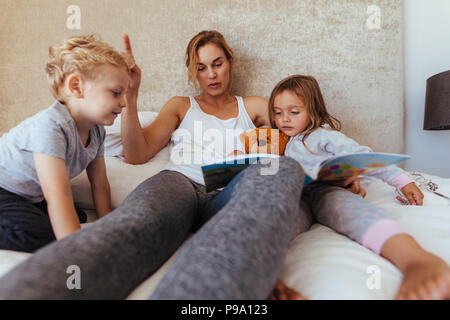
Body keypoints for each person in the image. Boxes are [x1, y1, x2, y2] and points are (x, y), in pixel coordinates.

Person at [0, 31, 308, 299]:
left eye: (218, 64)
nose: (211, 74)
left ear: (230, 63)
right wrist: (131, 97)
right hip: (179, 184)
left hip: (231, 189)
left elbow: (297, 131)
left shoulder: (253, 106)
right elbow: (137, 154)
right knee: (135, 223)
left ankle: (247, 269)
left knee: (284, 168)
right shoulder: (179, 106)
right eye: (201, 68)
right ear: (193, 73)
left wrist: (330, 170)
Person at [267, 74, 450, 300]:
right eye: (277, 112)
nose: (284, 119)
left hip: (328, 190)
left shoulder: (323, 136)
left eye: (294, 112)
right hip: (297, 196)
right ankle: (266, 278)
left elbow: (364, 157)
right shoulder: (280, 141)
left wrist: (402, 181)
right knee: (279, 221)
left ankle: (417, 260)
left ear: (313, 110)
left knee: (353, 212)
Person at [0, 34, 131, 253]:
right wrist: (76, 251)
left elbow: (100, 184)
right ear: (77, 86)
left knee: (76, 216)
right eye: (116, 93)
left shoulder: (96, 130)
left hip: (27, 195)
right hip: (3, 189)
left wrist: (108, 225)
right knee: (47, 234)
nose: (124, 102)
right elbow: (57, 194)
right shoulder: (50, 127)